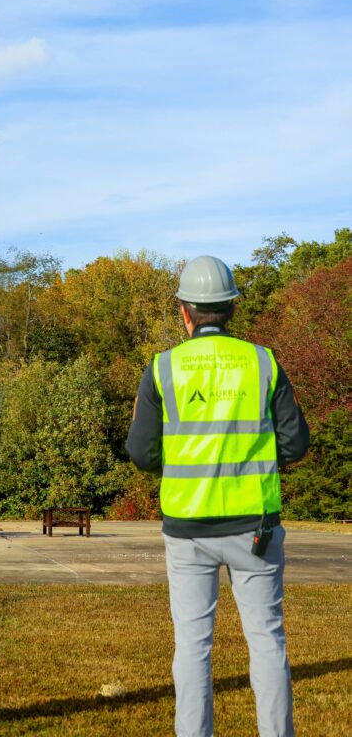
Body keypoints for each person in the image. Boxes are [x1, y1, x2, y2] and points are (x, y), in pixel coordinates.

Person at [126, 255, 309, 737]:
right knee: (267, 641)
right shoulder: (263, 363)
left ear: (185, 311)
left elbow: (142, 453)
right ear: (231, 307)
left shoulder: (163, 369)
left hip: (187, 533)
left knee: (192, 646)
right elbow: (296, 444)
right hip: (257, 530)